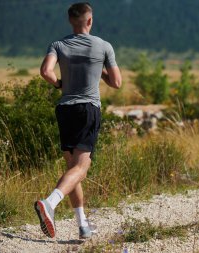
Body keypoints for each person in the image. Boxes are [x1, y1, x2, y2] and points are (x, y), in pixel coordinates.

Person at [35, 2, 122, 239]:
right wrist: (97, 69)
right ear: (90, 20)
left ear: (70, 21)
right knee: (81, 169)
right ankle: (50, 203)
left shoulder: (58, 44)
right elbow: (116, 82)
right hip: (87, 109)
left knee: (73, 169)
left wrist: (59, 83)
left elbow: (45, 71)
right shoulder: (103, 46)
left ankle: (82, 224)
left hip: (64, 109)